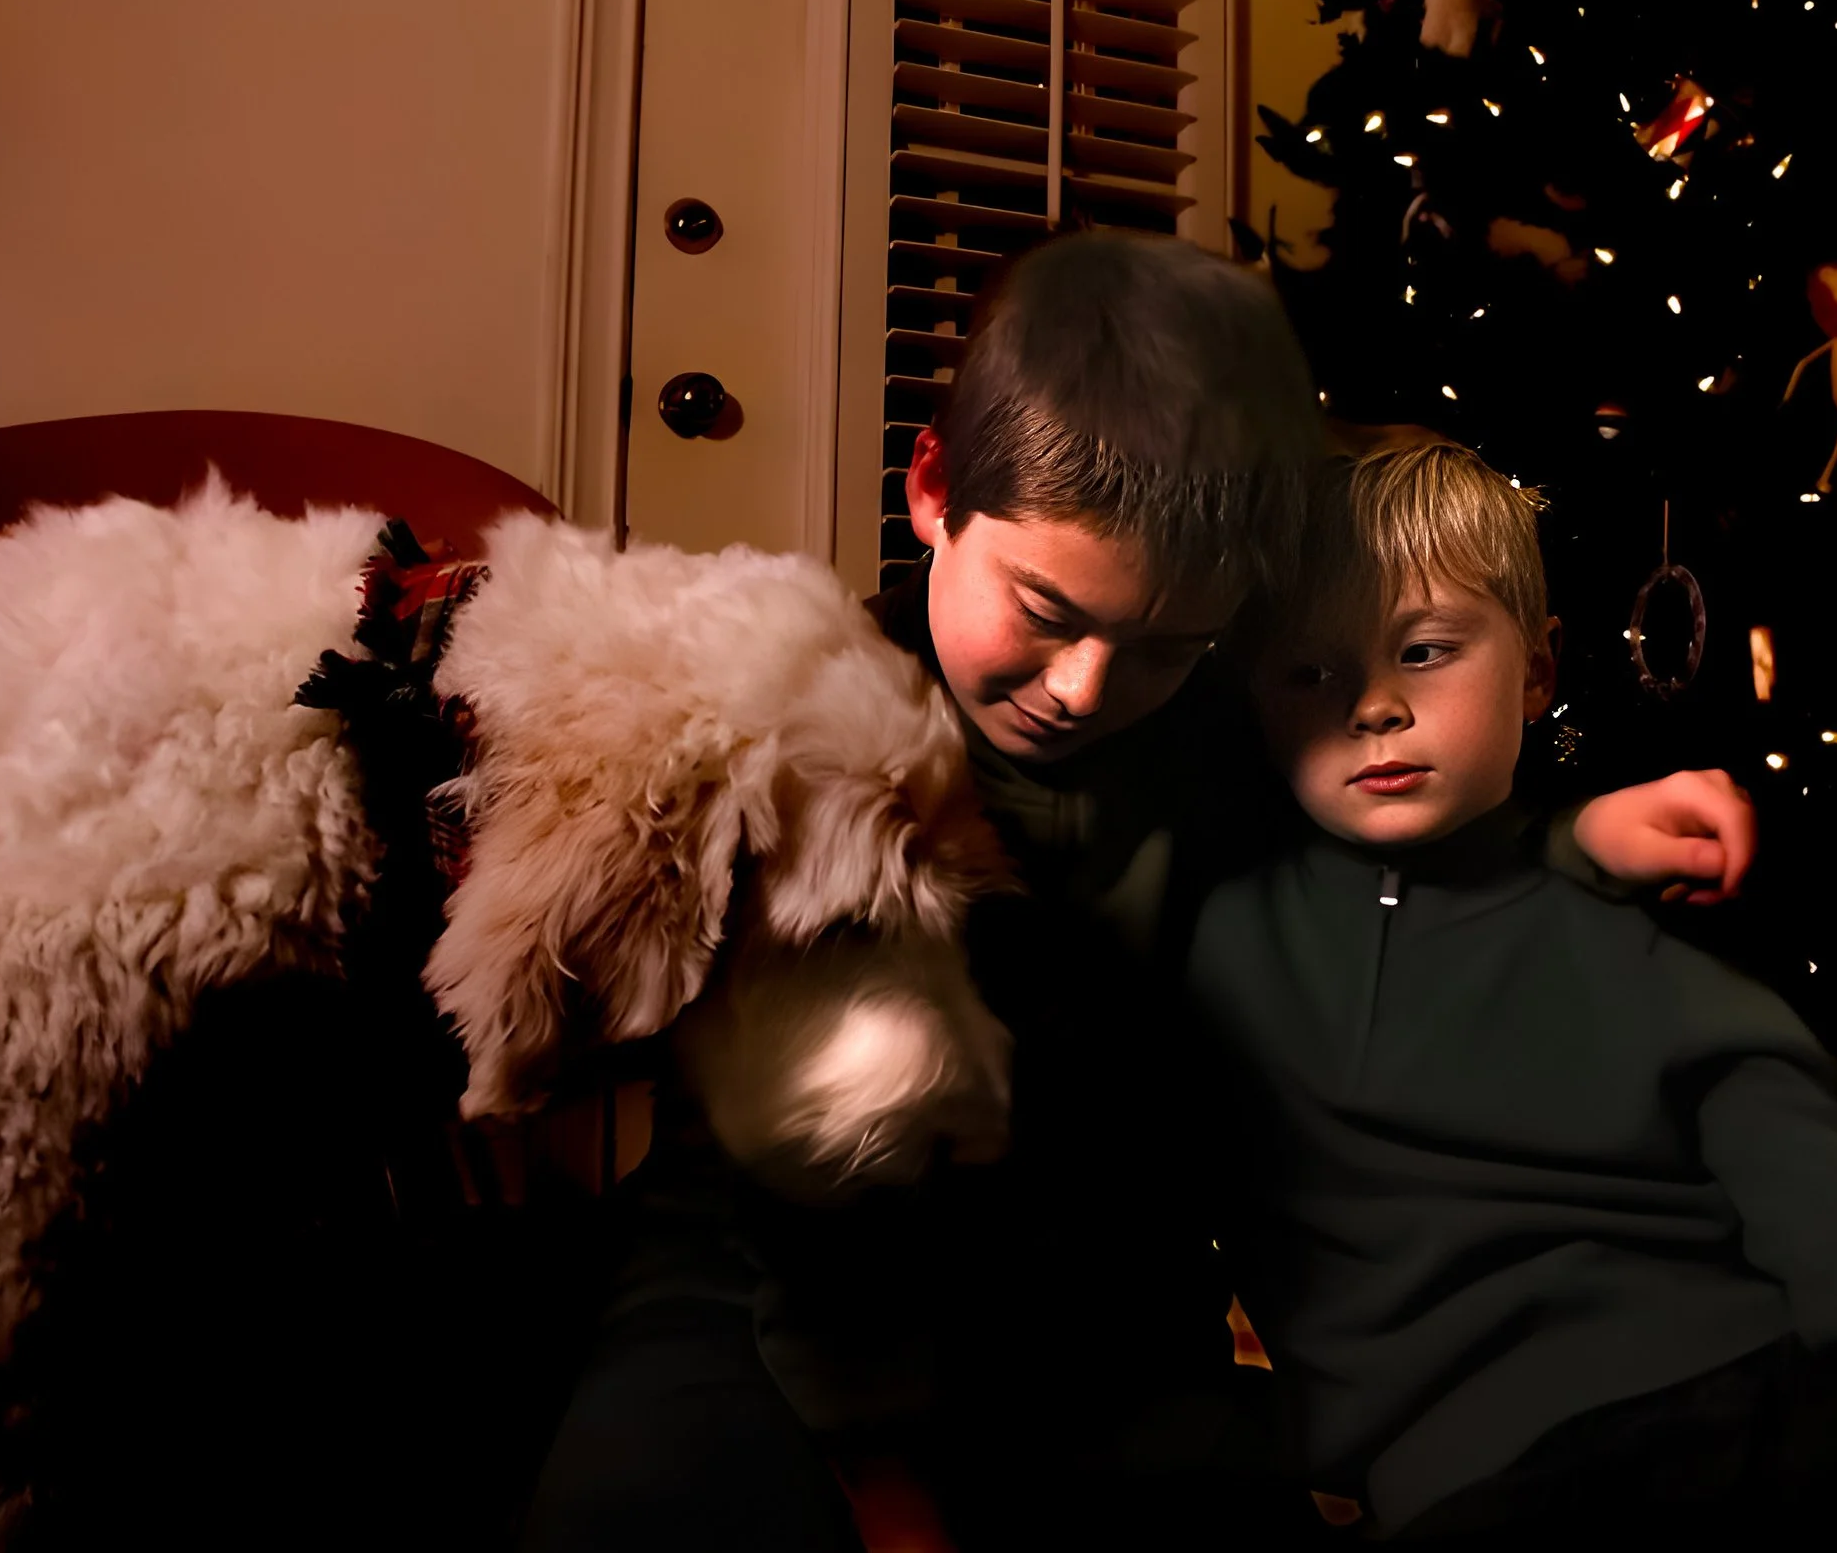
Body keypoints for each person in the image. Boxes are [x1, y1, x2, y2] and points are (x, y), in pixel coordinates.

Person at [518, 233, 1761, 1551]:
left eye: (1168, 643)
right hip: (780, 1300)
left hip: (1104, 1318)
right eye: (1047, 610)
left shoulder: (1216, 735)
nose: (1086, 689)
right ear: (934, 487)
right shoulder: (824, 747)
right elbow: (823, 1242)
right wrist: (899, 1509)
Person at [1176, 434, 1837, 1550]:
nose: (1373, 705)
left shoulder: (1642, 950)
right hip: (1493, 1487)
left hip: (1769, 1408)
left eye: (1425, 650)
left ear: (1536, 669)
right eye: (1310, 672)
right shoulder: (1216, 920)